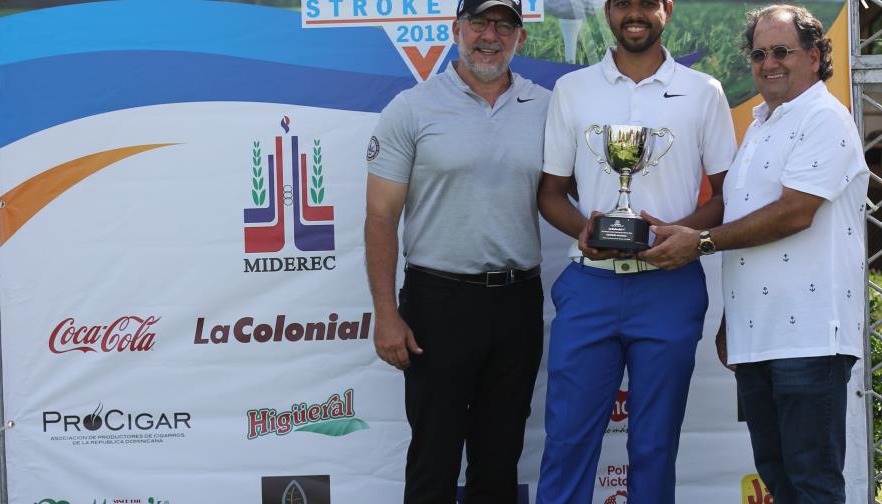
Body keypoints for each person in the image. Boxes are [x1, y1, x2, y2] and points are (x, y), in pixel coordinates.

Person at [643, 5, 868, 503]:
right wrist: (732, 320)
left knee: (812, 483)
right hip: (758, 339)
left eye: (782, 51)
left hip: (810, 341)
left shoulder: (826, 118)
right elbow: (744, 223)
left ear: (815, 56)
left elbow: (794, 214)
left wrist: (698, 242)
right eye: (759, 53)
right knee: (780, 480)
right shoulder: (762, 124)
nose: (769, 63)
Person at [535, 0, 737, 502]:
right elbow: (550, 192)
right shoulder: (572, 89)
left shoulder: (703, 91)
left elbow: (727, 196)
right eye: (623, 3)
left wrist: (676, 236)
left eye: (647, 3)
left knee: (653, 446)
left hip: (669, 287)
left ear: (666, 9)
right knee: (567, 441)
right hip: (591, 283)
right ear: (608, 11)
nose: (635, 14)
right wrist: (586, 230)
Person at [364, 0, 550, 500]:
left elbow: (568, 191)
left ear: (520, 39)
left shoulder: (548, 107)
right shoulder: (412, 108)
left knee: (500, 455)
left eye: (504, 25)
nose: (490, 35)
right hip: (438, 303)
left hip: (517, 302)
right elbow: (381, 216)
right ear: (455, 29)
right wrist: (386, 312)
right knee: (433, 456)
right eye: (479, 23)